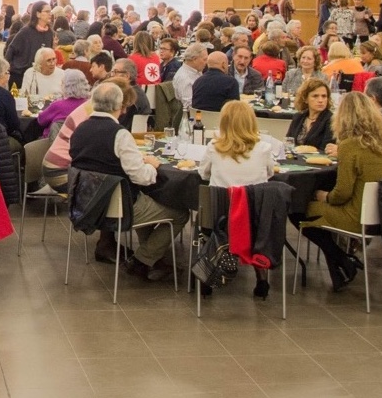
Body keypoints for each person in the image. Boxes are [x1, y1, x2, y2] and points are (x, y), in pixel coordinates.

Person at [70, 81, 187, 277]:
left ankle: (153, 258)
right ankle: (143, 260)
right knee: (180, 213)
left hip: (85, 205)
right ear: (119, 106)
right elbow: (141, 177)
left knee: (147, 200)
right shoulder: (119, 135)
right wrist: (151, 165)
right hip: (117, 207)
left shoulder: (79, 129)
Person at [197, 99, 278, 298]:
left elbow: (203, 174)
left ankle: (208, 272)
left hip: (218, 220)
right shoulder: (264, 148)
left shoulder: (214, 147)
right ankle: (261, 278)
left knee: (209, 211)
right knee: (257, 208)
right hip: (253, 221)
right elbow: (269, 174)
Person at [4, 1, 55, 89]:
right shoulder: (26, 31)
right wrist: (9, 69)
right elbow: (11, 50)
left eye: (50, 11)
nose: (50, 14)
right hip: (20, 75)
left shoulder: (49, 32)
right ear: (38, 14)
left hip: (39, 75)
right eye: (47, 12)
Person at [285, 78, 336, 151]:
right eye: (315, 96)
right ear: (305, 99)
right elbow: (288, 142)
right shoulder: (298, 117)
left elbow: (326, 149)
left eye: (324, 96)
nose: (320, 100)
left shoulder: (331, 120)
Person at [37, 69, 89, 138]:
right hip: (81, 143)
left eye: (62, 83)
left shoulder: (58, 105)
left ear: (66, 86)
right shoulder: (89, 105)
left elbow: (41, 120)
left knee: (29, 147)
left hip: (54, 143)